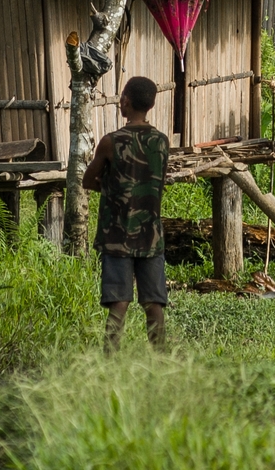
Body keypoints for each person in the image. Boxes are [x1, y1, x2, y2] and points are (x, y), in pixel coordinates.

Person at [84, 75, 171, 353]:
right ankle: (162, 362)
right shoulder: (161, 141)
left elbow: (88, 180)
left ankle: (109, 361)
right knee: (154, 303)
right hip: (150, 235)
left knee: (118, 302)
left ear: (126, 101)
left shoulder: (111, 142)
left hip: (117, 234)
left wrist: (112, 189)